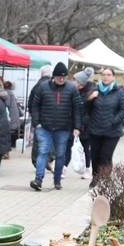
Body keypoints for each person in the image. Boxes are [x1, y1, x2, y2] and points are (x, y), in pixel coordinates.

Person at [27, 62, 82, 191]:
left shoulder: (72, 89)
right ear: (53, 76)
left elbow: (77, 109)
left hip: (63, 127)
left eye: (64, 77)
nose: (61, 79)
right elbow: (35, 105)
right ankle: (38, 179)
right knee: (42, 152)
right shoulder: (43, 87)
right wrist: (37, 123)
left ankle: (57, 178)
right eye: (59, 77)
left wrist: (77, 127)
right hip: (44, 127)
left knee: (61, 154)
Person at [85, 67, 124, 185]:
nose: (106, 77)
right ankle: (96, 178)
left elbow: (123, 110)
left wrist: (113, 121)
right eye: (104, 75)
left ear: (113, 77)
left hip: (112, 131)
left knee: (106, 156)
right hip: (95, 129)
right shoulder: (95, 90)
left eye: (108, 75)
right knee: (95, 156)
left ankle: (106, 180)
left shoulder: (119, 91)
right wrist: (90, 99)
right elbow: (86, 109)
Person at [74, 68, 97, 178]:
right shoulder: (78, 92)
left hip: (87, 124)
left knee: (86, 147)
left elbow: (86, 109)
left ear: (81, 83)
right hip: (79, 123)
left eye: (76, 81)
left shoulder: (90, 93)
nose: (74, 82)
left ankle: (87, 168)